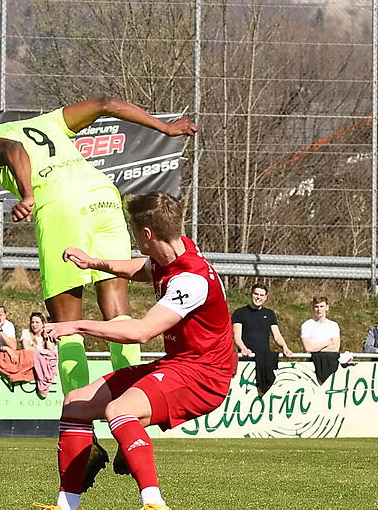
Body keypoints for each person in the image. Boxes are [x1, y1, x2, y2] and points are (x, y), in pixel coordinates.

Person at [0, 98, 197, 399]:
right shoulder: (45, 122)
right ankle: (131, 410)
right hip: (104, 197)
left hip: (62, 206)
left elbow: (12, 151)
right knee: (118, 312)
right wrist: (165, 128)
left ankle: (80, 423)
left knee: (66, 325)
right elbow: (105, 103)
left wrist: (28, 194)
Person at [35, 192, 236, 510]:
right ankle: (67, 505)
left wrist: (76, 325)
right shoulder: (172, 254)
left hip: (204, 376)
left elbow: (142, 332)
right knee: (75, 403)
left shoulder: (192, 281)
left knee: (120, 410)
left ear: (146, 234)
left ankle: (154, 503)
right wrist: (93, 262)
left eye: (133, 232)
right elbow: (139, 269)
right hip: (178, 365)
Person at [231, 284, 293, 395]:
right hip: (246, 360)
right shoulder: (239, 313)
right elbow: (237, 336)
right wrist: (243, 348)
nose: (258, 297)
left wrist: (285, 347)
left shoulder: (269, 314)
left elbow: (277, 336)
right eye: (256, 294)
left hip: (265, 361)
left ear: (265, 298)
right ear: (251, 295)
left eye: (261, 295)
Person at [300, 296, 341, 384]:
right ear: (313, 308)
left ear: (327, 307)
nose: (319, 310)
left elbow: (336, 347)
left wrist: (316, 348)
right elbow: (308, 348)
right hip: (311, 364)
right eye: (316, 307)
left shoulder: (333, 325)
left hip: (331, 364)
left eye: (321, 306)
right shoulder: (306, 325)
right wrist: (326, 343)